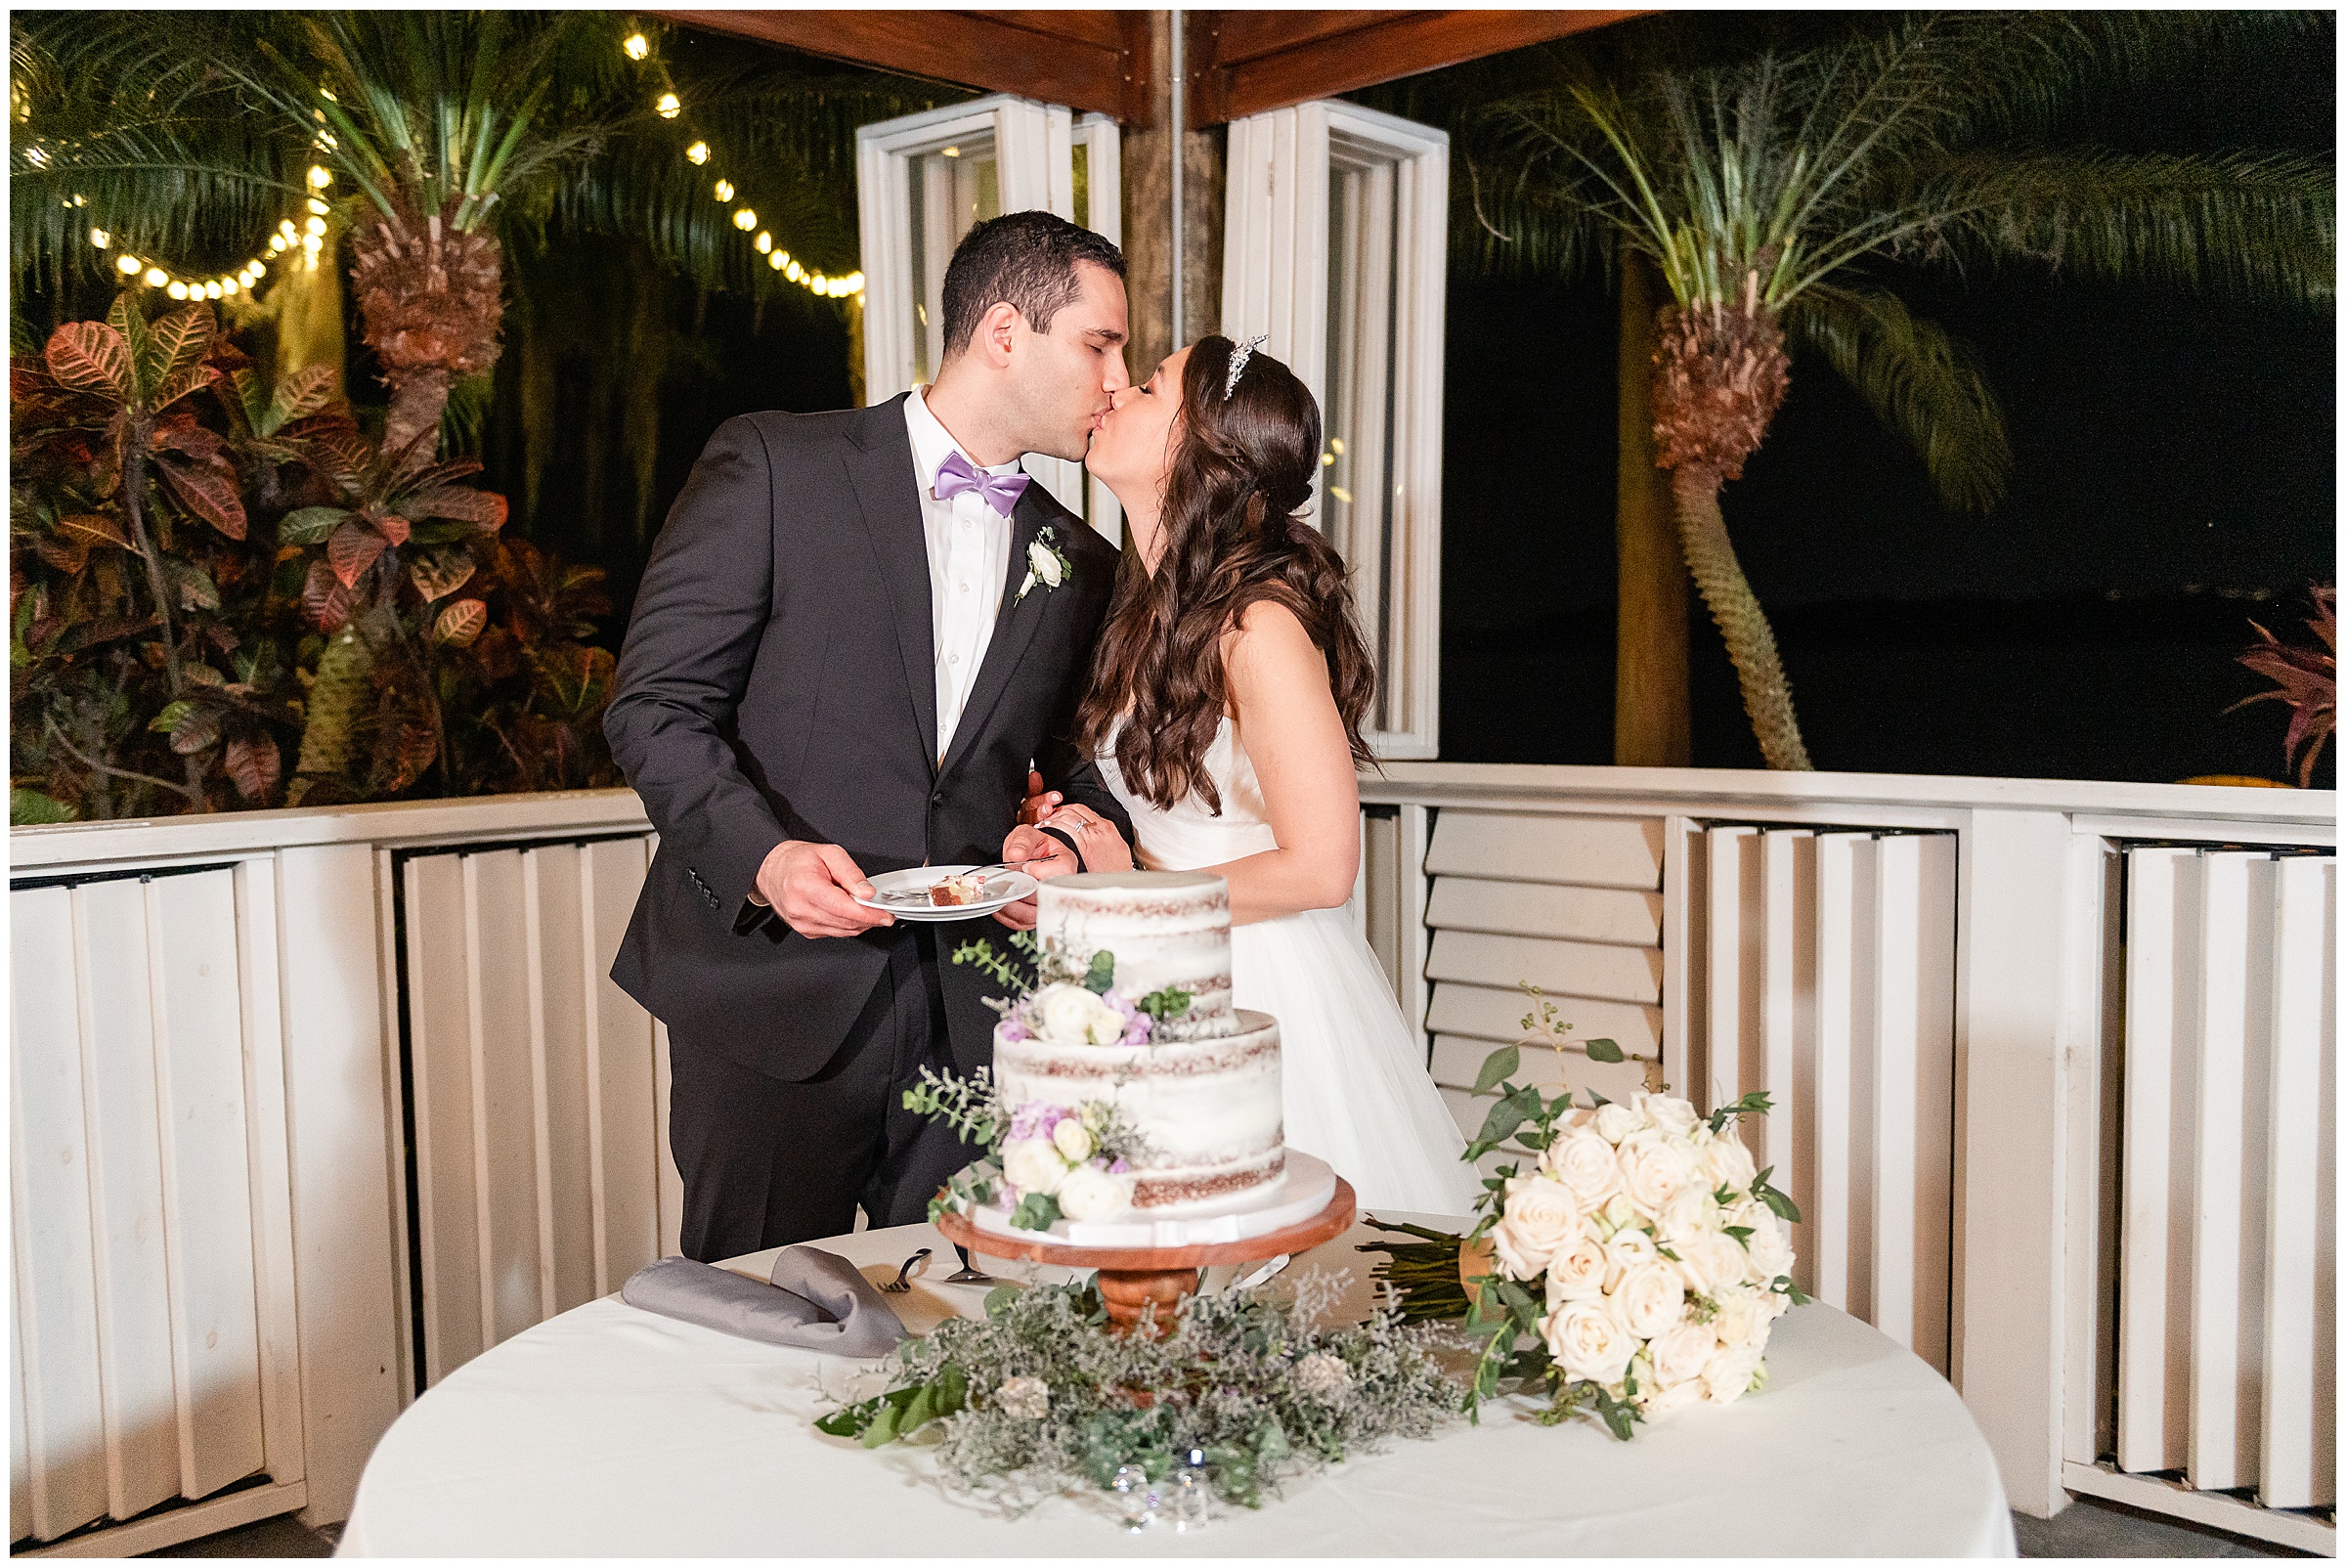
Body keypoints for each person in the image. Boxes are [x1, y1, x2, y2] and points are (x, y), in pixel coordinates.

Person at [604, 211, 1136, 1260]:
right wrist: (764, 856)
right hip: (773, 992)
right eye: (1100, 342)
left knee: (960, 1328)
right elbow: (654, 705)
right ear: (1002, 333)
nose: (1115, 378)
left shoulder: (1077, 558)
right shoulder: (774, 466)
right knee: (757, 1322)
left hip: (972, 1013)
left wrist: (1075, 840)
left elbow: (1072, 756)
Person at [1033, 333, 1481, 1216]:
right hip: (1151, 967)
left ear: (1197, 451)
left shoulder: (1259, 626)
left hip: (1255, 987)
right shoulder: (1147, 608)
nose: (1116, 390)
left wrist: (1131, 895)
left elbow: (1322, 867)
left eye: (1151, 385)